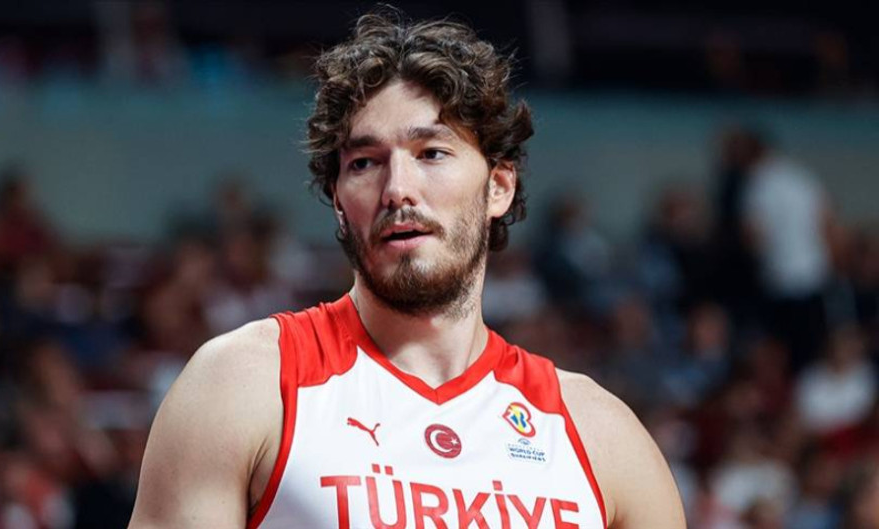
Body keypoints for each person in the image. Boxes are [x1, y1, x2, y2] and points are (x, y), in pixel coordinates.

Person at [128, 10, 685, 529]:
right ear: (338, 200)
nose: (397, 189)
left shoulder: (601, 435)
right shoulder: (240, 385)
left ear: (498, 186)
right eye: (364, 163)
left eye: (431, 153)